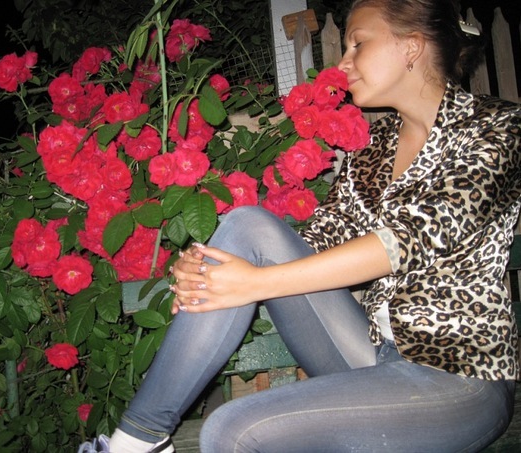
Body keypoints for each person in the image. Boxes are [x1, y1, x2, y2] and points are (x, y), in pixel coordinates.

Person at [79, 0, 521, 451]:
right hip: (372, 357)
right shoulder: (379, 146)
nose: (343, 63)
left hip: (461, 375)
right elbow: (318, 238)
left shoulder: (498, 128)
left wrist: (254, 283)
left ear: (411, 46)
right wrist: (206, 271)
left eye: (358, 44)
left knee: (232, 430)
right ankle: (137, 440)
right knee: (248, 225)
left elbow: (408, 239)